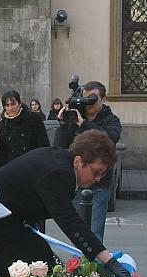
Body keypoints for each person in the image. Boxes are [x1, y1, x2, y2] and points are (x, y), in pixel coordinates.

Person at [0, 129, 139, 277]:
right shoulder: (59, 173)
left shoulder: (61, 159)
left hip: (5, 222)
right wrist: (109, 261)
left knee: (40, 267)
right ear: (79, 161)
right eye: (96, 172)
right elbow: (69, 220)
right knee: (38, 272)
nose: (97, 179)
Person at [53, 80, 122, 242]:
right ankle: (77, 266)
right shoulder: (74, 117)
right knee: (77, 234)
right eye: (85, 98)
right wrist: (64, 125)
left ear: (103, 100)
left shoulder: (112, 120)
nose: (88, 103)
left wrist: (84, 124)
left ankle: (93, 266)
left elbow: (109, 140)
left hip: (99, 185)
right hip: (76, 181)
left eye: (92, 98)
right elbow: (60, 147)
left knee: (94, 235)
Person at [0, 90, 49, 169]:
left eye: (13, 104)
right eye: (7, 105)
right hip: (12, 167)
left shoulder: (33, 119)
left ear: (19, 103)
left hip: (33, 165)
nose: (10, 108)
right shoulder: (2, 125)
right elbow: (1, 152)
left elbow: (43, 144)